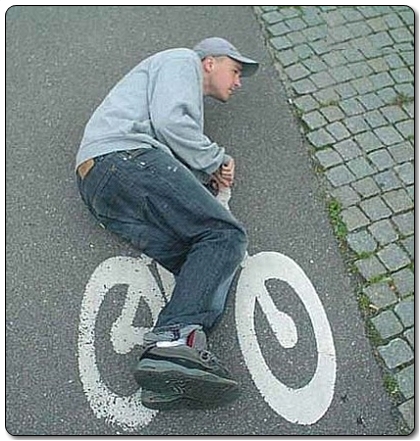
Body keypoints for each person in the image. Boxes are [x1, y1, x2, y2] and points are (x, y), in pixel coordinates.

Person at [75, 37, 259, 409]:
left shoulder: (178, 85)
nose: (238, 82)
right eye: (236, 70)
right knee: (225, 235)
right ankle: (174, 340)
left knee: (199, 260)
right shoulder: (181, 61)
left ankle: (167, 365)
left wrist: (205, 180)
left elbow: (170, 146)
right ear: (210, 62)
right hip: (122, 157)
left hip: (99, 185)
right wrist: (216, 159)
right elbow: (171, 120)